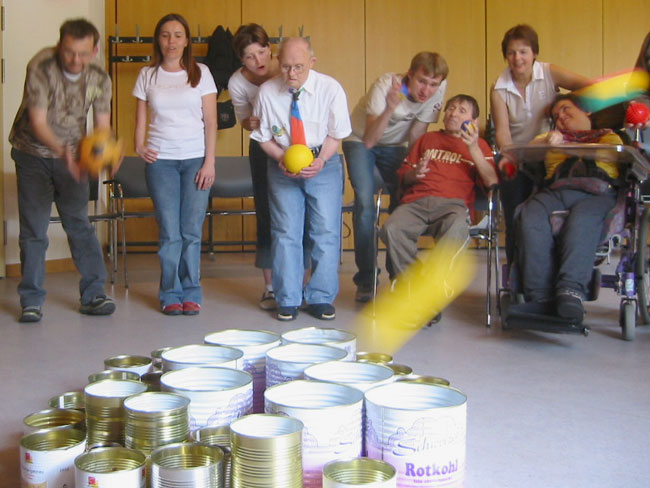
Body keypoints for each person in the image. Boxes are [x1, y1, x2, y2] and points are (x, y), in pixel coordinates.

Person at [9, 18, 117, 323]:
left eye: (83, 54)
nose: (76, 60)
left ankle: (94, 294)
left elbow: (102, 126)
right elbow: (39, 122)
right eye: (69, 52)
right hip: (33, 153)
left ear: (95, 50)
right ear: (60, 47)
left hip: (74, 155)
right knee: (34, 230)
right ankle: (31, 301)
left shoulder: (99, 77)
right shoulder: (41, 66)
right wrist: (64, 154)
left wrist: (108, 151)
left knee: (79, 224)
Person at [251, 37, 351, 321]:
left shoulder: (330, 89)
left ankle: (320, 297)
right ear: (277, 63)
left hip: (324, 162)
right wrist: (280, 157)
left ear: (312, 63)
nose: (291, 74)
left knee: (326, 232)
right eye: (285, 67)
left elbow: (336, 133)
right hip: (282, 163)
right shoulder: (268, 92)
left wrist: (320, 161)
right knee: (285, 232)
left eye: (298, 67)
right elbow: (263, 138)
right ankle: (288, 298)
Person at [380, 94, 498, 323]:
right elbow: (404, 178)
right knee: (392, 228)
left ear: (474, 120)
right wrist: (416, 173)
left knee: (455, 232)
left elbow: (492, 181)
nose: (453, 113)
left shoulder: (479, 145)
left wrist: (473, 148)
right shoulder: (427, 139)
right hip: (416, 201)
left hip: (453, 206)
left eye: (462, 110)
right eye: (450, 108)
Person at [344, 52, 449, 302]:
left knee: (405, 201)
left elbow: (417, 132)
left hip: (396, 146)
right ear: (409, 75)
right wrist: (391, 108)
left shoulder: (439, 88)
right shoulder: (384, 86)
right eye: (422, 81)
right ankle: (367, 277)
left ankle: (398, 274)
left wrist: (415, 165)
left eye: (433, 84)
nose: (427, 90)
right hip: (360, 139)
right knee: (365, 204)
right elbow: (370, 140)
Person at [133, 13, 217, 316]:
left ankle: (192, 292)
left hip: (195, 160)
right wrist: (139, 146)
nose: (171, 41)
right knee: (170, 232)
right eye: (166, 35)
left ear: (187, 41)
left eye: (178, 35)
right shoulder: (147, 74)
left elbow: (210, 121)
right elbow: (140, 118)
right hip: (161, 162)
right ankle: (170, 293)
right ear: (158, 39)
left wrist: (210, 163)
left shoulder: (201, 72)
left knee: (191, 231)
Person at [513, 94, 622, 322]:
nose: (560, 117)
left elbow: (614, 153)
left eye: (565, 109)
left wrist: (570, 146)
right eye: (555, 116)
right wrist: (546, 141)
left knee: (582, 219)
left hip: (596, 192)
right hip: (556, 190)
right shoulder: (551, 137)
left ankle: (570, 293)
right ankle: (538, 297)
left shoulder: (609, 136)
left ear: (586, 112)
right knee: (530, 213)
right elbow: (523, 151)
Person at [490, 24, 589, 263]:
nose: (518, 58)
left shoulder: (549, 72)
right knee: (515, 210)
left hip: (550, 151)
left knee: (552, 208)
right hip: (518, 153)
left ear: (534, 53)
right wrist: (511, 157)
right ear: (506, 56)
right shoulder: (498, 88)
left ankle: (553, 264)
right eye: (512, 53)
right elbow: (503, 134)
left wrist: (568, 110)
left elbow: (588, 85)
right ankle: (516, 269)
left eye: (523, 51)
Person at [228, 23, 282, 311]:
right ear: (241, 60)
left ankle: (305, 284)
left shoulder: (286, 68)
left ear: (270, 48)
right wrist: (249, 123)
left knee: (302, 214)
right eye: (250, 56)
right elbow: (243, 121)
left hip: (294, 145)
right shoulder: (238, 83)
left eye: (262, 52)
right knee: (266, 213)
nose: (258, 61)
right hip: (262, 147)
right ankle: (270, 287)